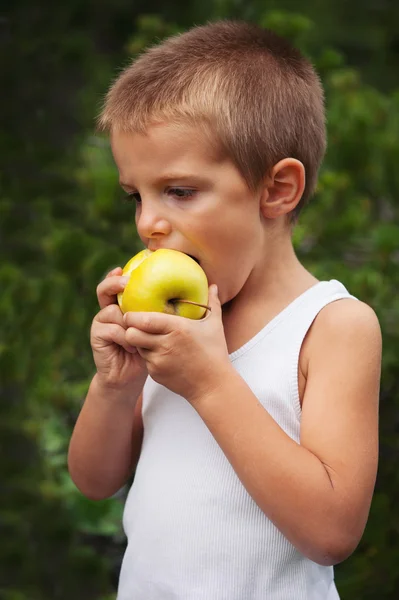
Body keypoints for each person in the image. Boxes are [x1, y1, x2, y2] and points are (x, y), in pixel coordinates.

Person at [68, 19, 382, 600]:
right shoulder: (172, 327)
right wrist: (113, 388)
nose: (148, 223)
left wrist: (211, 382)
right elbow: (95, 481)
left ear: (277, 189)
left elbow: (332, 532)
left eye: (179, 191)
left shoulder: (331, 327)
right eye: (136, 195)